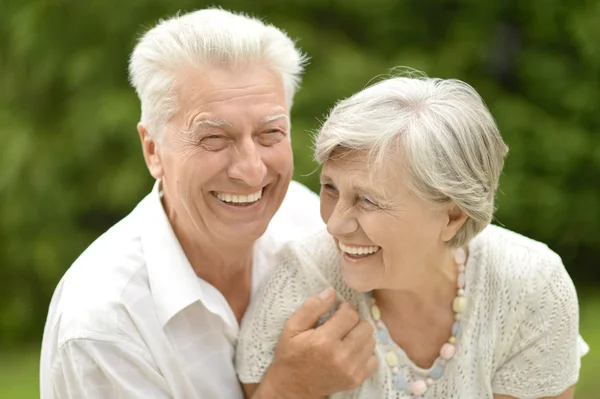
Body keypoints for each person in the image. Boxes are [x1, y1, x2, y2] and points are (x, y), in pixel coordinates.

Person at [40, 8, 378, 398]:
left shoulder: (312, 222)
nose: (251, 171)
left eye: (270, 133)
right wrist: (289, 390)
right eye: (214, 139)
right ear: (153, 150)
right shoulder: (103, 325)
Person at [236, 72, 590, 398]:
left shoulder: (530, 285)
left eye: (368, 200)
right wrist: (288, 388)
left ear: (452, 215)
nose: (334, 225)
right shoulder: (300, 284)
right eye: (330, 187)